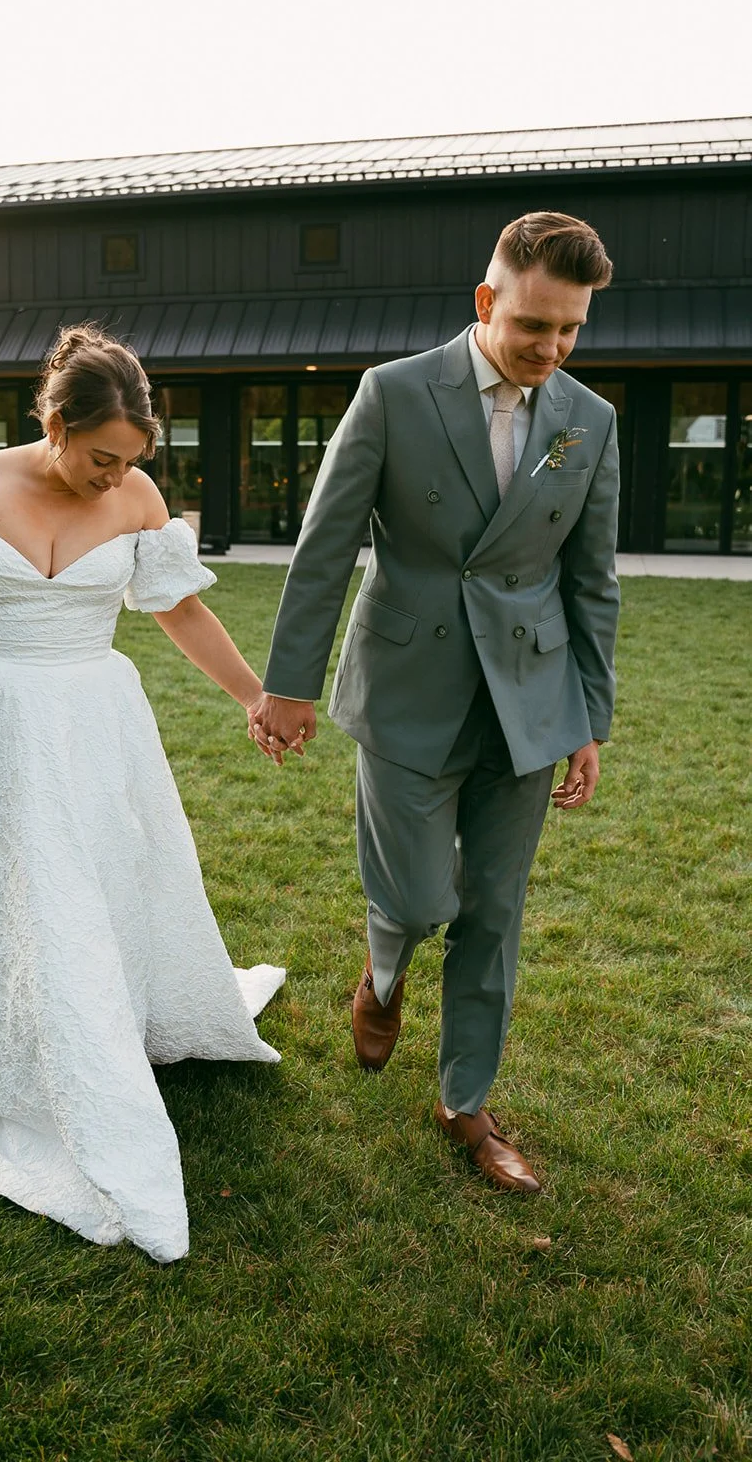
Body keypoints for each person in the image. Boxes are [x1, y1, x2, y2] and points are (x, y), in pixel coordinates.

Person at [0, 325, 284, 1263]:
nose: (115, 478)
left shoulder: (137, 497)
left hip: (96, 719)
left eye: (130, 462)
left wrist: (253, 695)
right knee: (9, 878)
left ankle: (98, 1003)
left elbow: (179, 609)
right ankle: (29, 1018)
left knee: (86, 877)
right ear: (55, 424)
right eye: (102, 458)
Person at [251, 212, 620, 1193]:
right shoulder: (393, 394)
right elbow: (325, 547)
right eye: (535, 325)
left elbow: (590, 582)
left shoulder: (590, 420)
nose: (551, 347)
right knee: (418, 899)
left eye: (570, 329)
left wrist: (587, 717)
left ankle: (466, 1103)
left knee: (493, 912)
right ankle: (382, 973)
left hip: (530, 705)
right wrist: (286, 684)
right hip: (407, 690)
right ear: (485, 301)